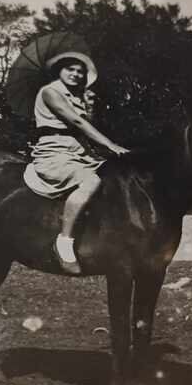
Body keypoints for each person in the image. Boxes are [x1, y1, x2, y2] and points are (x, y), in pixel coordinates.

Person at [23, 54, 129, 273]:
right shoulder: (50, 92)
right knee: (90, 182)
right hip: (54, 152)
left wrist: (89, 105)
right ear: (59, 71)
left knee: (115, 176)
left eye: (80, 71)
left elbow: (86, 123)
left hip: (80, 151)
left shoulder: (77, 96)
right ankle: (64, 240)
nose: (76, 74)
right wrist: (111, 144)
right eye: (70, 69)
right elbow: (77, 122)